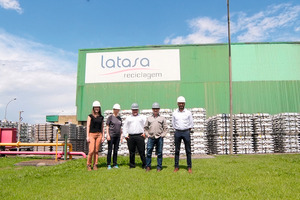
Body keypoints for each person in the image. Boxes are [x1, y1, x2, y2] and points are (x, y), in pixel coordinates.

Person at [172, 96, 194, 173]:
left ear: (184, 104)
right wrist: (177, 129)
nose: (181, 104)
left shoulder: (188, 113)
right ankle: (176, 166)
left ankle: (189, 167)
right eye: (180, 103)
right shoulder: (175, 113)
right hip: (177, 132)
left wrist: (187, 130)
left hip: (186, 132)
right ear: (177, 104)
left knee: (188, 150)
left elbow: (191, 123)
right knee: (177, 150)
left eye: (182, 103)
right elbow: (173, 123)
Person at [144, 102, 168, 172]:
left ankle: (159, 167)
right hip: (151, 137)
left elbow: (165, 128)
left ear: (159, 109)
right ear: (152, 109)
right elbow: (145, 127)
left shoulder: (162, 118)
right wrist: (147, 134)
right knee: (148, 152)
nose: (155, 110)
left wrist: (163, 135)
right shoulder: (149, 118)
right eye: (154, 109)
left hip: (159, 137)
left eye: (157, 109)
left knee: (159, 153)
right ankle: (148, 166)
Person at [123, 103, 147, 169]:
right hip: (131, 137)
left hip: (140, 136)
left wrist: (145, 133)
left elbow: (146, 126)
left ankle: (144, 164)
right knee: (131, 152)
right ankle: (132, 165)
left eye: (136, 110)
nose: (135, 111)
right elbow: (125, 127)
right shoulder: (128, 118)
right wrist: (125, 135)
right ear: (131, 110)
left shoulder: (142, 117)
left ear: (138, 110)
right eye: (133, 110)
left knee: (142, 151)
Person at [86, 101, 105, 171]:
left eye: (98, 107)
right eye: (95, 107)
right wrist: (87, 136)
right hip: (91, 134)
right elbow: (88, 126)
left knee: (96, 151)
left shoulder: (101, 117)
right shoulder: (90, 116)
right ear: (93, 108)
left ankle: (95, 164)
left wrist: (103, 136)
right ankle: (88, 164)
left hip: (99, 135)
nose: (97, 109)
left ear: (99, 108)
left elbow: (102, 127)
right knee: (91, 151)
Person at [106, 104, 123, 169]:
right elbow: (107, 126)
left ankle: (115, 163)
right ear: (113, 110)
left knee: (116, 150)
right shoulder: (110, 117)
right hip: (111, 135)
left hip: (117, 136)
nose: (117, 111)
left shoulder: (119, 118)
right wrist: (107, 135)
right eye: (116, 109)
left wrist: (121, 135)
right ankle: (108, 164)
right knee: (110, 150)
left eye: (118, 110)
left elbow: (120, 127)